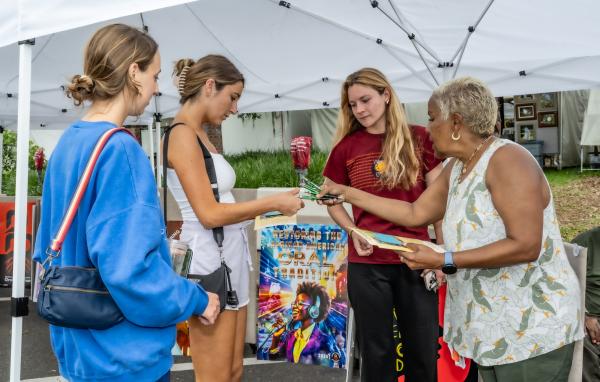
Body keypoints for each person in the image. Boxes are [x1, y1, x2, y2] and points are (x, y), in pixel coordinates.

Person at [319, 77, 583, 382]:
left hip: (530, 331)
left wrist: (444, 258)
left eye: (433, 118)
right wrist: (348, 193)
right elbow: (414, 212)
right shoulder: (459, 166)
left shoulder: (508, 160)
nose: (427, 128)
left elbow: (526, 244)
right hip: (494, 330)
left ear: (456, 122)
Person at [32, 24, 220, 382]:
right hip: (122, 357)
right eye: (154, 74)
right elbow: (131, 272)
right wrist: (196, 299)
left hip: (77, 353)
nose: (157, 88)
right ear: (134, 71)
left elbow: (46, 249)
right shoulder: (120, 150)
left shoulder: (67, 144)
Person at [164, 54, 303, 382]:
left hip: (229, 256)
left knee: (234, 370)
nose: (235, 108)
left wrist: (275, 205)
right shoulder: (182, 134)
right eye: (234, 97)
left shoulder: (198, 132)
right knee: (216, 375)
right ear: (210, 86)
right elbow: (209, 214)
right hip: (211, 262)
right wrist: (271, 202)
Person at [321, 67, 443, 381]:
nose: (359, 110)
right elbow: (328, 197)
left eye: (366, 100)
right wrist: (352, 230)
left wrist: (442, 256)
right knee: (376, 354)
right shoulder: (344, 148)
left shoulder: (421, 138)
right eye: (353, 104)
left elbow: (440, 203)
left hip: (417, 259)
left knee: (423, 351)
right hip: (367, 264)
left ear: (386, 95)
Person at [268, 281, 344, 367]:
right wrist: (275, 339)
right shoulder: (291, 336)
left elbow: (337, 365)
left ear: (314, 310)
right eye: (295, 303)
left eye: (300, 303)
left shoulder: (325, 341)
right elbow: (275, 361)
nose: (295, 307)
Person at [572, 226, 600, 382]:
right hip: (592, 317)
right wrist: (585, 313)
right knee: (582, 337)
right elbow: (565, 286)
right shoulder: (584, 243)